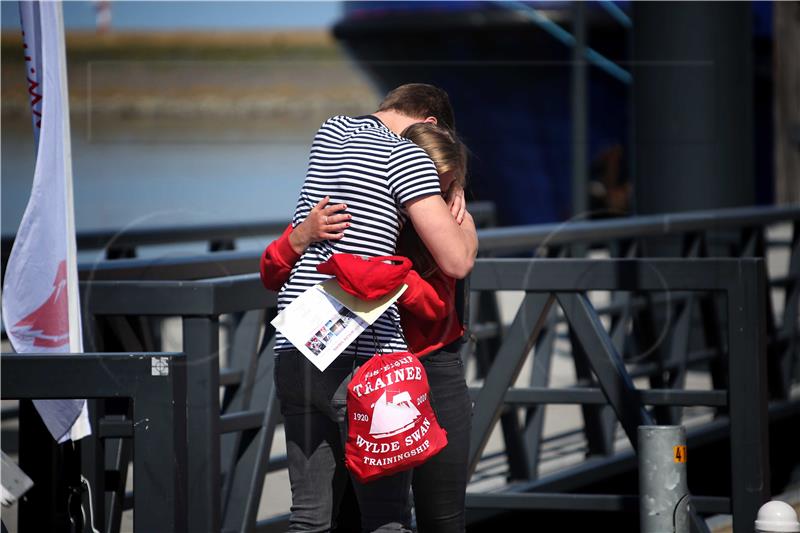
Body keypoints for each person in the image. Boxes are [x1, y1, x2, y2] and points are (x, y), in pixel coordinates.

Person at [269, 84, 478, 532]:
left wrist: (301, 237)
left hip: (295, 344)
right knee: (386, 518)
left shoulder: (328, 132)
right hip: (363, 357)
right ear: (430, 126)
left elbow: (273, 267)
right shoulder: (408, 159)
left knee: (308, 518)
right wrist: (456, 193)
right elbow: (458, 261)